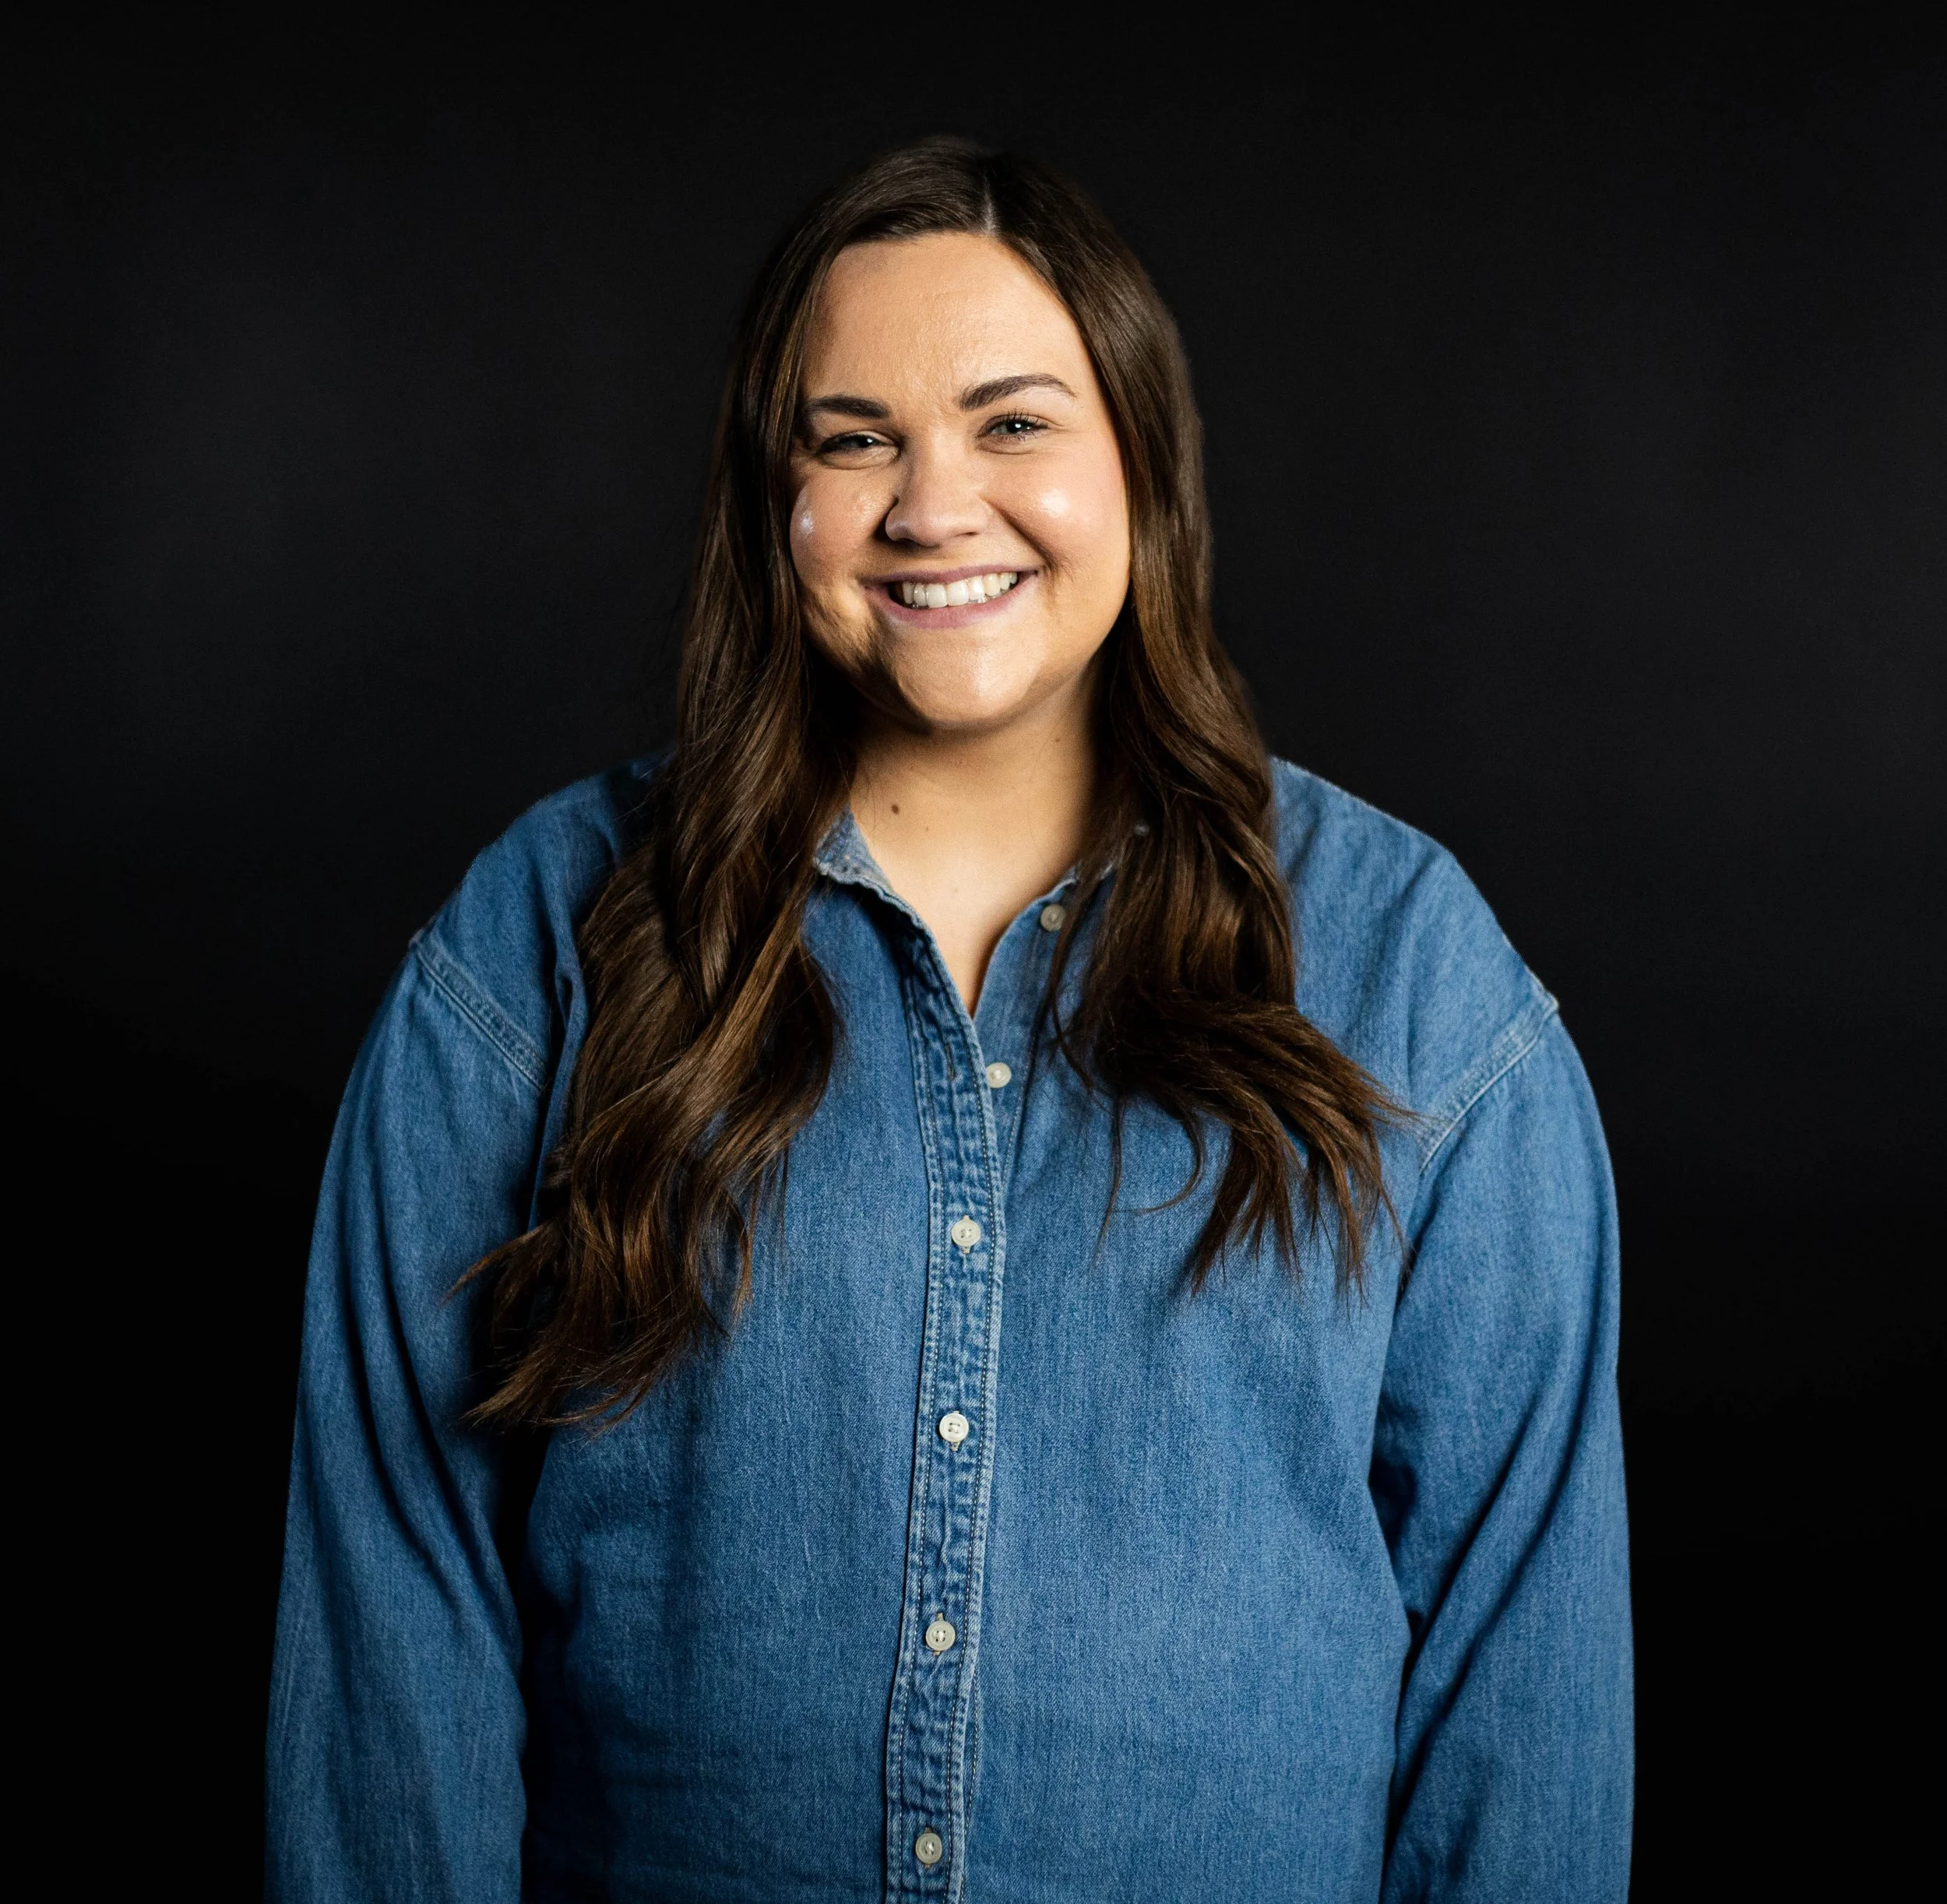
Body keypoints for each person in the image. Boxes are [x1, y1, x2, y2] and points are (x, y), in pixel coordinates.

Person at [267, 137, 1632, 1902]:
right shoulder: (540, 940)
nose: (931, 505)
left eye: (1011, 423)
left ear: (1141, 462)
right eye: (852, 438)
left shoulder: (1413, 980)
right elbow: (396, 1620)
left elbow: (1516, 1694)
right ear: (779, 506)